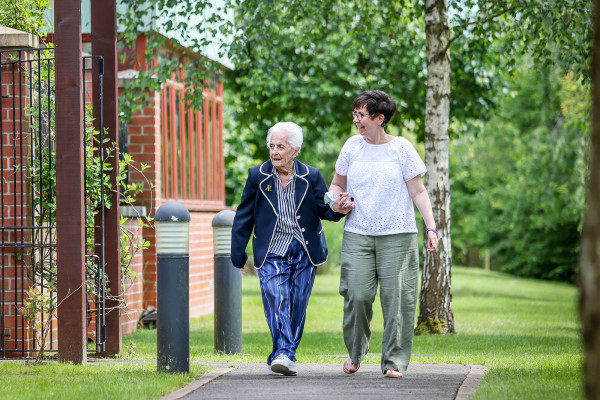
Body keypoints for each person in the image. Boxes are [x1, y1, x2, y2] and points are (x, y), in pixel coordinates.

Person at [329, 90, 439, 378]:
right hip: (358, 233)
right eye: (355, 114)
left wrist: (431, 227)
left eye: (361, 115)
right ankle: (355, 352)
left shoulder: (401, 149)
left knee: (398, 301)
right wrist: (335, 201)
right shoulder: (352, 147)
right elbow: (336, 185)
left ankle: (393, 361)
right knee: (356, 294)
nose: (356, 120)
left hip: (398, 235)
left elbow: (418, 190)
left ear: (380, 119)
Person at [231, 121, 352, 376]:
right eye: (272, 146)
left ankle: (282, 353)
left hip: (304, 251)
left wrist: (337, 210)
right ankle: (286, 353)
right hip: (271, 249)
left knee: (297, 304)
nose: (274, 152)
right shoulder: (258, 176)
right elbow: (244, 216)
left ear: (295, 150)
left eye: (281, 147)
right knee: (276, 299)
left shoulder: (311, 176)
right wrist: (238, 252)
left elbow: (324, 210)